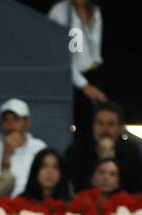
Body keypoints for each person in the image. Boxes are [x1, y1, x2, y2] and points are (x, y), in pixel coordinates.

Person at [64, 101, 142, 196]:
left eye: (111, 124)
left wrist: (111, 157)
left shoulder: (131, 151)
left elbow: (138, 188)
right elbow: (76, 187)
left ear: (120, 128)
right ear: (93, 125)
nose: (105, 129)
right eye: (100, 123)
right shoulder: (76, 150)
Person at [48, 0, 105, 137]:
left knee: (96, 118)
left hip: (92, 72)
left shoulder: (94, 11)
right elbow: (59, 56)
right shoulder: (59, 11)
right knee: (79, 122)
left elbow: (94, 48)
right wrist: (84, 85)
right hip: (71, 76)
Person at [0, 98, 46, 198]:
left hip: (32, 203)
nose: (10, 124)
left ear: (27, 122)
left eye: (15, 119)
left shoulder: (39, 147)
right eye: (5, 119)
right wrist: (6, 153)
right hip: (1, 205)